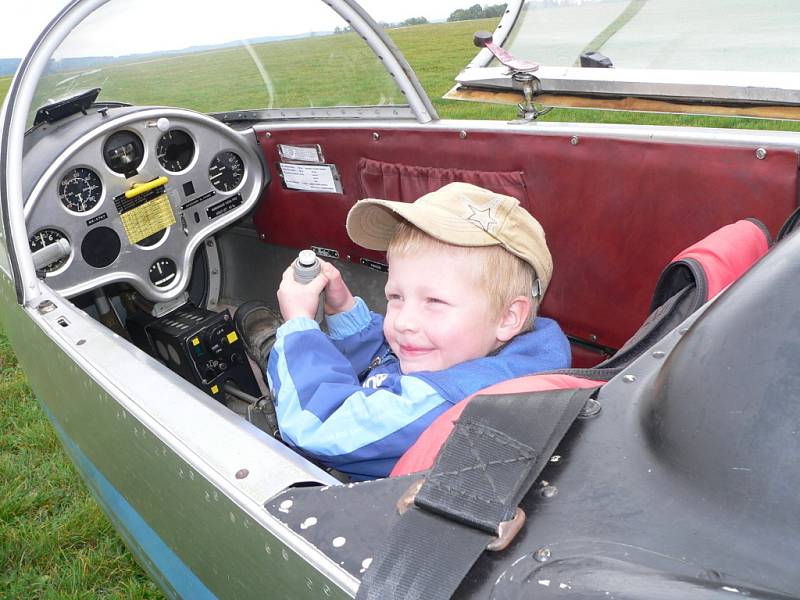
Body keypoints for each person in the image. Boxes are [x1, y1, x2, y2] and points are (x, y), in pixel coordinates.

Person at [237, 182, 571, 480]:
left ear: (508, 317)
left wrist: (299, 329)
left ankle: (276, 351)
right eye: (395, 296)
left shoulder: (447, 401)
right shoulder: (495, 354)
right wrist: (345, 313)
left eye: (434, 301)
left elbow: (319, 425)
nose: (402, 321)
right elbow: (392, 363)